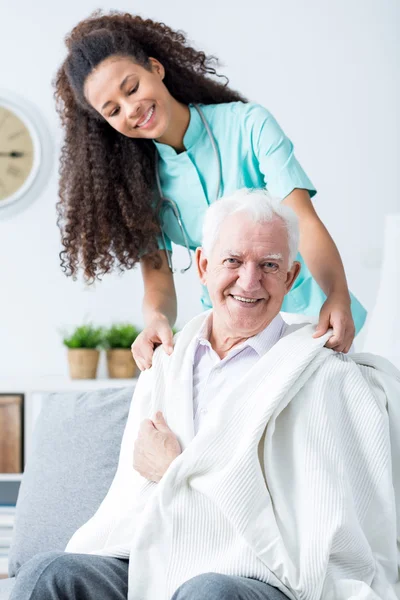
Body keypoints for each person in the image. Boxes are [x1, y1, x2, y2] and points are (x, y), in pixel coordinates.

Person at [10, 190, 400, 600]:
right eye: (233, 261)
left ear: (290, 277)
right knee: (48, 573)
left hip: (257, 573)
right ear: (203, 266)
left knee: (207, 592)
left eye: (269, 265)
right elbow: (132, 505)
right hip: (155, 554)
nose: (249, 282)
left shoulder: (325, 378)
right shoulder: (165, 364)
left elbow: (318, 526)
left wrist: (174, 471)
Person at [54, 10, 366, 370]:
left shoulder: (249, 126)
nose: (131, 109)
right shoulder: (138, 188)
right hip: (230, 336)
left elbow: (305, 222)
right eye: (113, 110)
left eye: (132, 88)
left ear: (155, 68)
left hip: (313, 319)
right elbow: (157, 276)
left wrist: (337, 296)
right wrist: (156, 319)